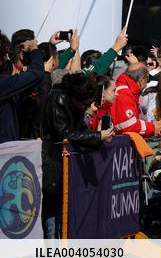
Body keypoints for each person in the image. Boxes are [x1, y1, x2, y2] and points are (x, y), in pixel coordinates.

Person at [40, 72, 112, 238]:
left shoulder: (75, 103)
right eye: (85, 103)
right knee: (52, 209)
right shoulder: (58, 100)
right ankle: (52, 254)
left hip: (63, 161)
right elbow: (64, 134)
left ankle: (59, 250)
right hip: (52, 160)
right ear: (76, 98)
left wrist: (98, 138)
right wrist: (97, 136)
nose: (87, 107)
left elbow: (80, 129)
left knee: (60, 208)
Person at [0, 39, 45, 143]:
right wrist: (34, 49)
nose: (6, 60)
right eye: (3, 56)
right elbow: (37, 74)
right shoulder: (3, 84)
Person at [112, 64, 161, 138]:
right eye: (146, 81)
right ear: (142, 80)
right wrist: (153, 127)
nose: (146, 85)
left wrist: (152, 125)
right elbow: (127, 126)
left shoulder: (128, 90)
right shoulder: (123, 93)